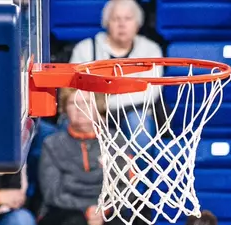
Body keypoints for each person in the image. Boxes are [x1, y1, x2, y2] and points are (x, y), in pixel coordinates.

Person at [37, 88, 138, 225]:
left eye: (86, 103)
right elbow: (53, 193)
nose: (79, 108)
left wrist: (103, 210)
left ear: (98, 107)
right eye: (73, 103)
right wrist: (87, 209)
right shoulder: (52, 144)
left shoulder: (117, 141)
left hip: (106, 213)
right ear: (64, 109)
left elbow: (127, 188)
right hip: (63, 215)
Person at [68, 0, 163, 136]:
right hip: (89, 111)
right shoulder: (85, 48)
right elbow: (73, 89)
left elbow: (149, 92)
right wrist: (95, 110)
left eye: (128, 18)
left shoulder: (150, 49)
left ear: (138, 23)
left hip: (133, 111)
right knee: (72, 121)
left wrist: (104, 104)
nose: (122, 24)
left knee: (138, 123)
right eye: (116, 19)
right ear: (106, 23)